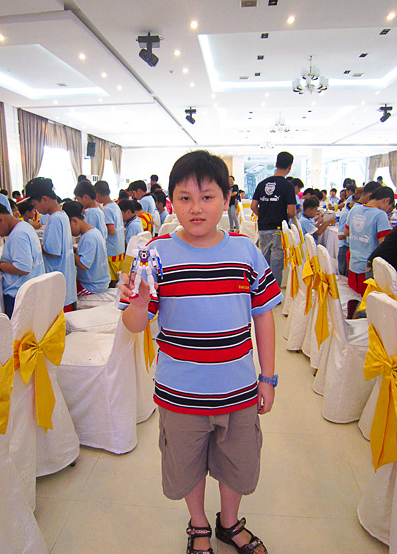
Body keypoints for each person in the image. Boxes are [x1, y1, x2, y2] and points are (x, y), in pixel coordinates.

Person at [119, 150, 282, 554]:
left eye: (207, 197)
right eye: (185, 198)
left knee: (237, 463)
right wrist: (139, 302)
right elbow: (134, 325)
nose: (196, 208)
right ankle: (198, 525)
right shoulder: (156, 253)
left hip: (238, 389)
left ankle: (229, 522)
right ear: (171, 202)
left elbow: (263, 316)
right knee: (186, 464)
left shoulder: (245, 251)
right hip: (180, 392)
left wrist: (267, 378)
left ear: (226, 200)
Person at [0, 199, 45, 318]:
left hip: (19, 296)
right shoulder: (24, 227)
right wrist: (2, 262)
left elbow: (23, 268)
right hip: (30, 293)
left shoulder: (17, 235)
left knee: (16, 329)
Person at [25, 177, 77, 311]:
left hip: (57, 285)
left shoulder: (55, 219)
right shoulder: (62, 215)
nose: (36, 210)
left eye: (35, 205)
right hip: (65, 283)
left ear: (44, 199)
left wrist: (37, 245)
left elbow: (53, 252)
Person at [251, 151, 296, 286]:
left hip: (263, 227)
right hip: (278, 229)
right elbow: (292, 212)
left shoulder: (262, 184)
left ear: (276, 164)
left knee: (264, 261)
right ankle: (274, 292)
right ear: (290, 167)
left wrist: (264, 215)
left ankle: (262, 290)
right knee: (276, 264)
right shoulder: (288, 186)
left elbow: (253, 206)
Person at [345, 186, 395, 294]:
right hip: (369, 268)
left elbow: (346, 233)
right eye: (389, 207)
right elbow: (383, 244)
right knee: (368, 300)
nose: (387, 211)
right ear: (386, 200)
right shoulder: (380, 215)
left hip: (353, 264)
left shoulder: (354, 210)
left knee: (354, 296)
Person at [62, 201, 110, 296]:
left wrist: (67, 251)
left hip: (92, 286)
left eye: (68, 227)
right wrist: (73, 249)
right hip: (98, 282)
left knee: (65, 294)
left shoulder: (89, 238)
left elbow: (84, 264)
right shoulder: (92, 232)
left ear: (74, 221)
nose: (68, 232)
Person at [94, 179, 125, 287]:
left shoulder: (106, 209)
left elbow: (111, 231)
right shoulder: (115, 206)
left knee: (112, 280)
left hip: (111, 251)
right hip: (119, 248)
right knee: (118, 277)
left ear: (98, 194)